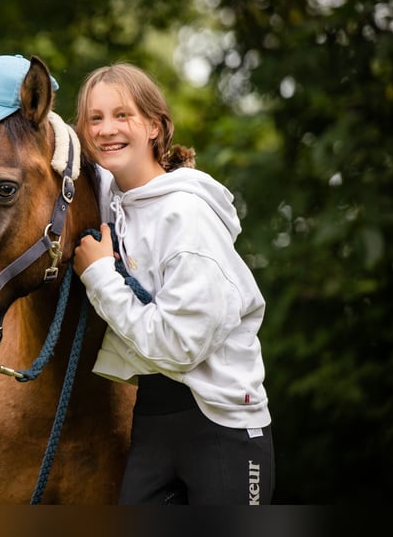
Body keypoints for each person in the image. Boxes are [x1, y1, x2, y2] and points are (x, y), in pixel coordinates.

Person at [72, 63, 275, 505]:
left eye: (122, 115)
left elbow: (179, 345)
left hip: (221, 427)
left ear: (154, 126)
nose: (107, 129)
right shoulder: (116, 201)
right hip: (153, 418)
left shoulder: (186, 215)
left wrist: (100, 274)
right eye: (94, 118)